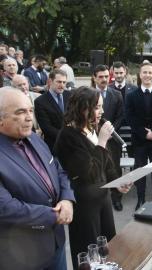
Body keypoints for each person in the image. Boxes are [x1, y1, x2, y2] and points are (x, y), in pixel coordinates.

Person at [53, 86, 131, 269]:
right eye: (97, 107)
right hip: (84, 204)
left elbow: (106, 162)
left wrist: (117, 183)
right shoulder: (68, 135)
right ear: (82, 108)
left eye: (101, 107)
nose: (101, 112)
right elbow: (89, 173)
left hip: (103, 199)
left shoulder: (91, 128)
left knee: (108, 246)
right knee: (89, 251)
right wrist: (102, 141)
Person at [0, 87, 75, 270]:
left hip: (55, 243)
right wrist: (54, 215)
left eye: (30, 111)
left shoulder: (34, 138)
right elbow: (5, 209)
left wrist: (67, 199)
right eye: (20, 112)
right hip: (20, 254)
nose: (28, 118)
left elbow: (58, 169)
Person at [125, 63, 152, 210]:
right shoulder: (131, 96)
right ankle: (141, 198)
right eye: (144, 72)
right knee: (140, 170)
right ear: (140, 74)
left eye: (150, 73)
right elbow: (130, 117)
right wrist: (144, 133)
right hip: (139, 140)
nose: (147, 75)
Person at [93, 64, 124, 211]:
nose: (104, 79)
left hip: (113, 139)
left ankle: (116, 198)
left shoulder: (116, 94)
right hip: (94, 138)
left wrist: (111, 131)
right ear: (95, 78)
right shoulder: (90, 95)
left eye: (106, 76)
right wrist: (99, 133)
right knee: (98, 169)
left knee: (115, 169)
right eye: (101, 77)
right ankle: (100, 199)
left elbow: (120, 116)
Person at [34, 69, 70, 152]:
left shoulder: (69, 95)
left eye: (64, 82)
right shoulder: (40, 101)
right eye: (59, 82)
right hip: (54, 146)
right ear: (50, 81)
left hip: (72, 145)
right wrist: (67, 137)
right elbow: (46, 128)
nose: (62, 85)